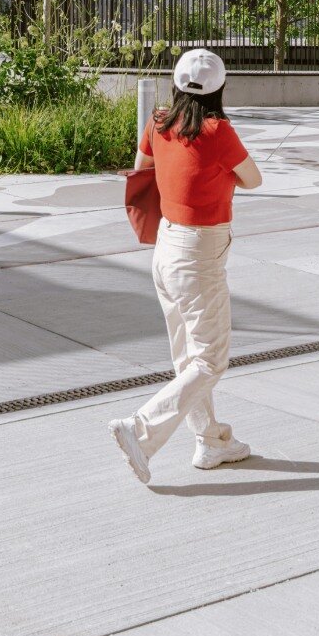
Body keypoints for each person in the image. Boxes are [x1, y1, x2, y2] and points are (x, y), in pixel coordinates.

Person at [110, 47, 262, 483]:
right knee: (211, 360)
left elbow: (144, 171)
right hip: (200, 251)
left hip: (166, 245)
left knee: (188, 356)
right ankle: (140, 429)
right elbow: (254, 179)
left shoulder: (158, 122)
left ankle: (212, 441)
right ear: (220, 90)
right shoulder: (219, 131)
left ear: (175, 84)